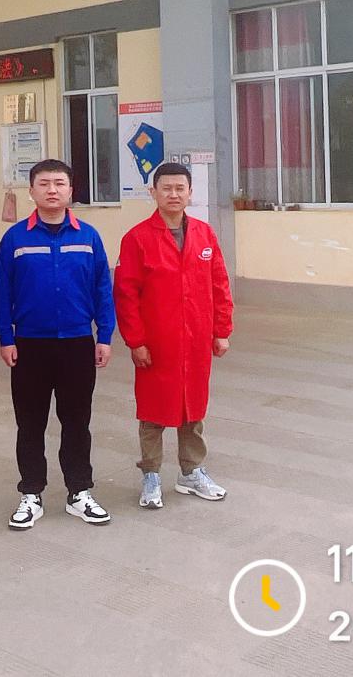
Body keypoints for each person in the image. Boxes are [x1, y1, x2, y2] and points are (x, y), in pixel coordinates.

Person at [0, 159, 115, 529]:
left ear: (70, 190)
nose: (52, 190)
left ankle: (79, 491)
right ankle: (31, 493)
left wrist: (104, 335)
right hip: (29, 345)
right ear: (31, 191)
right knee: (30, 423)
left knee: (77, 422)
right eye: (44, 183)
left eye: (59, 183)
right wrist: (6, 337)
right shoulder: (15, 239)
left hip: (77, 343)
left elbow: (102, 289)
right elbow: (2, 293)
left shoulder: (88, 237)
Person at [113, 162, 233, 510]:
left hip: (196, 340)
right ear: (153, 192)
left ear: (190, 192)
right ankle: (151, 474)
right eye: (166, 188)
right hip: (157, 343)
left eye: (180, 188)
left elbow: (219, 284)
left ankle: (191, 472)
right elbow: (126, 295)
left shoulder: (204, 235)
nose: (174, 194)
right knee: (153, 411)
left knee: (193, 408)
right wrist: (136, 341)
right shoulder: (137, 238)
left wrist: (221, 330)